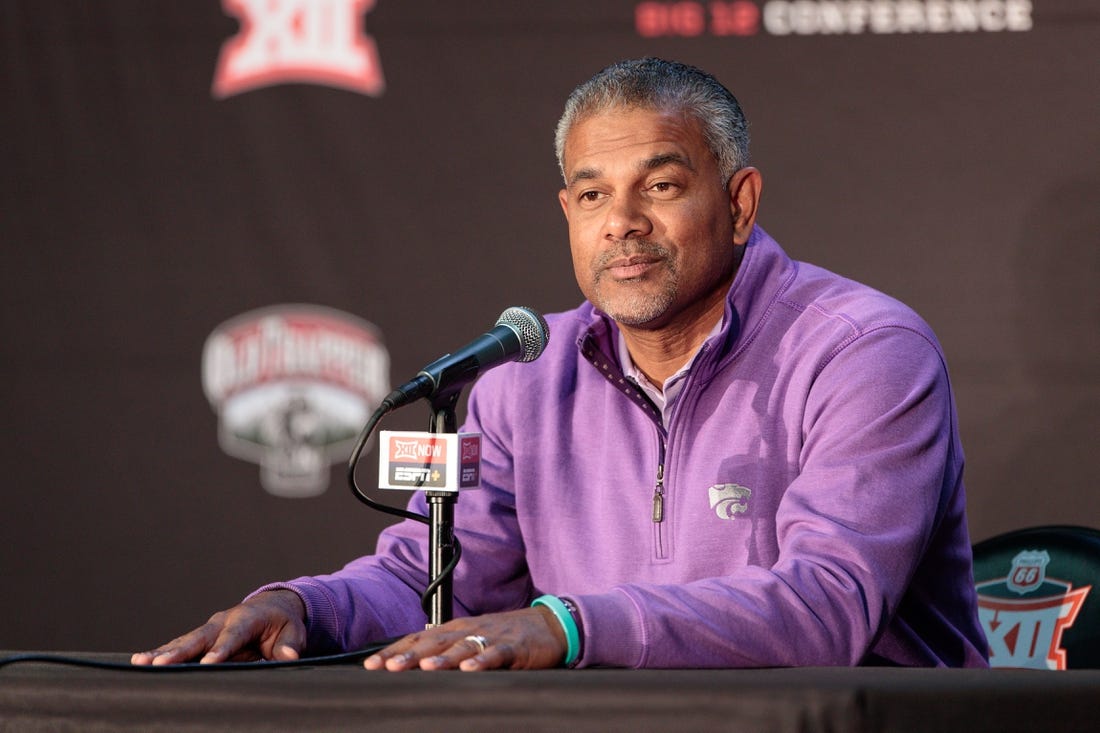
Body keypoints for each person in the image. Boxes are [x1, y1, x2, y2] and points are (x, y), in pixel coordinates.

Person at [133, 58, 989, 671]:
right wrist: (304, 608)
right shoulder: (525, 376)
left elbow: (826, 606)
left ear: (738, 202)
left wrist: (570, 627)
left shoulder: (861, 351)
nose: (621, 221)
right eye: (591, 195)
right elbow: (434, 581)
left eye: (659, 186)